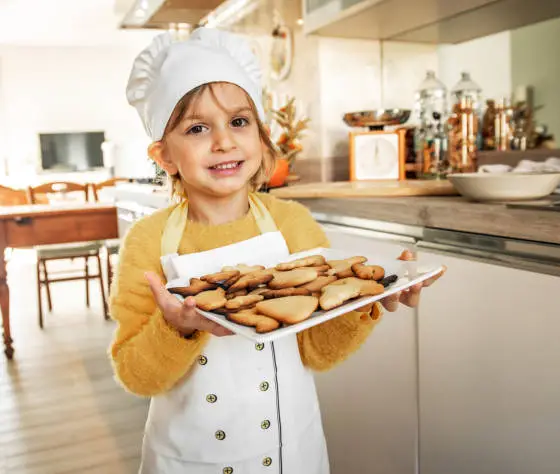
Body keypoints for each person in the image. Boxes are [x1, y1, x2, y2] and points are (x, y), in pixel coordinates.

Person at [109, 27, 444, 474]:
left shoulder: (292, 224)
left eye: (239, 121)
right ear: (165, 156)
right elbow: (136, 375)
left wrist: (365, 301)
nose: (224, 141)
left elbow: (318, 352)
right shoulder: (148, 241)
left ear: (262, 136)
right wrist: (175, 329)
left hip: (291, 452)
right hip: (191, 461)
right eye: (197, 128)